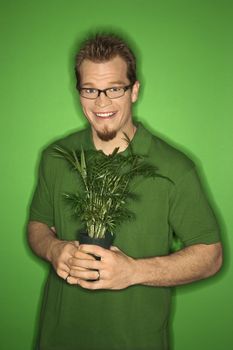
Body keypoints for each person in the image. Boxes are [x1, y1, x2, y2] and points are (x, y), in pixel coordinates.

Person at [28, 33, 222, 350]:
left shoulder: (174, 168)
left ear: (134, 91)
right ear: (79, 93)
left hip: (135, 342)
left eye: (114, 89)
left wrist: (133, 271)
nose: (101, 102)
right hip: (58, 338)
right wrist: (53, 249)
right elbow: (38, 224)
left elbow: (210, 256)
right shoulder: (57, 156)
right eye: (90, 90)